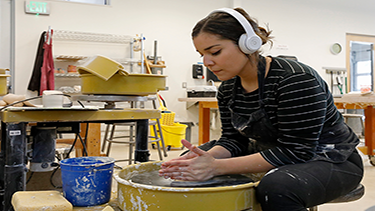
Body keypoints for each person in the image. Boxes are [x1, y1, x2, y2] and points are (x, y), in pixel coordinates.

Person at [159, 7, 363, 211]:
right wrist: (207, 158)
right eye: (202, 54)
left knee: (278, 188)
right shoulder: (228, 88)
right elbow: (233, 140)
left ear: (247, 44)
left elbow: (297, 151)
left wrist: (215, 166)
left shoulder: (295, 79)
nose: (207, 62)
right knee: (187, 166)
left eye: (215, 52)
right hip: (268, 149)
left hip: (330, 158)